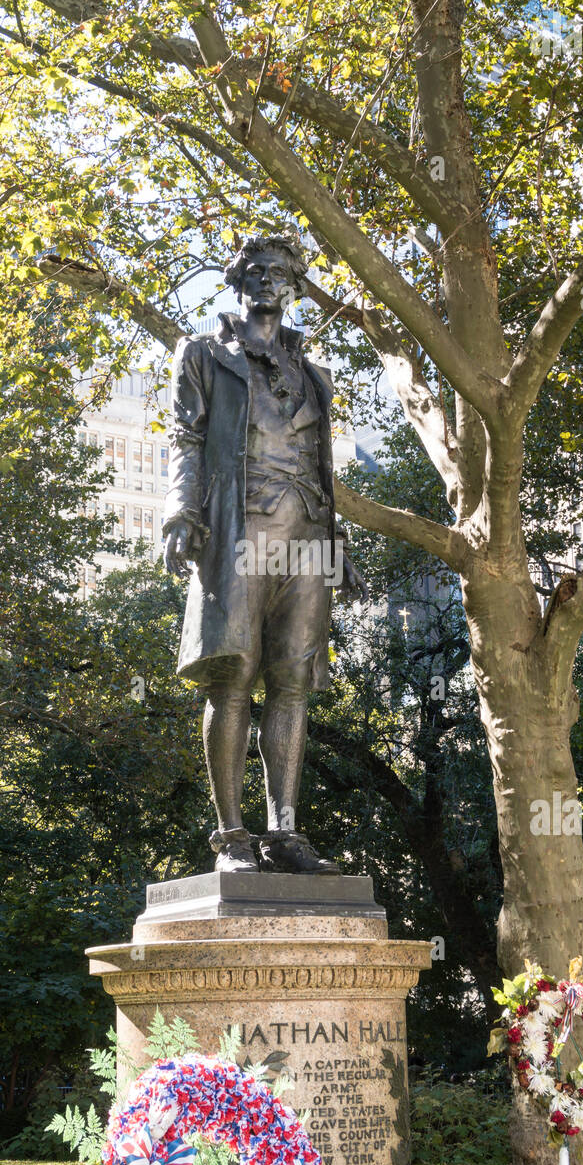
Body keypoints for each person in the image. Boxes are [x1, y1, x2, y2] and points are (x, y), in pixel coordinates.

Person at [163, 233, 367, 874]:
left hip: (306, 536)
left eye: (278, 272)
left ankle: (285, 833)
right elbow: (186, 435)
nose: (265, 280)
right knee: (234, 676)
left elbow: (323, 466)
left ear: (295, 287)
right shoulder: (204, 353)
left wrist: (338, 544)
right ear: (237, 282)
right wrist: (180, 510)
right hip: (239, 530)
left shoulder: (314, 374)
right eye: (253, 270)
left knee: (293, 682)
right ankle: (232, 838)